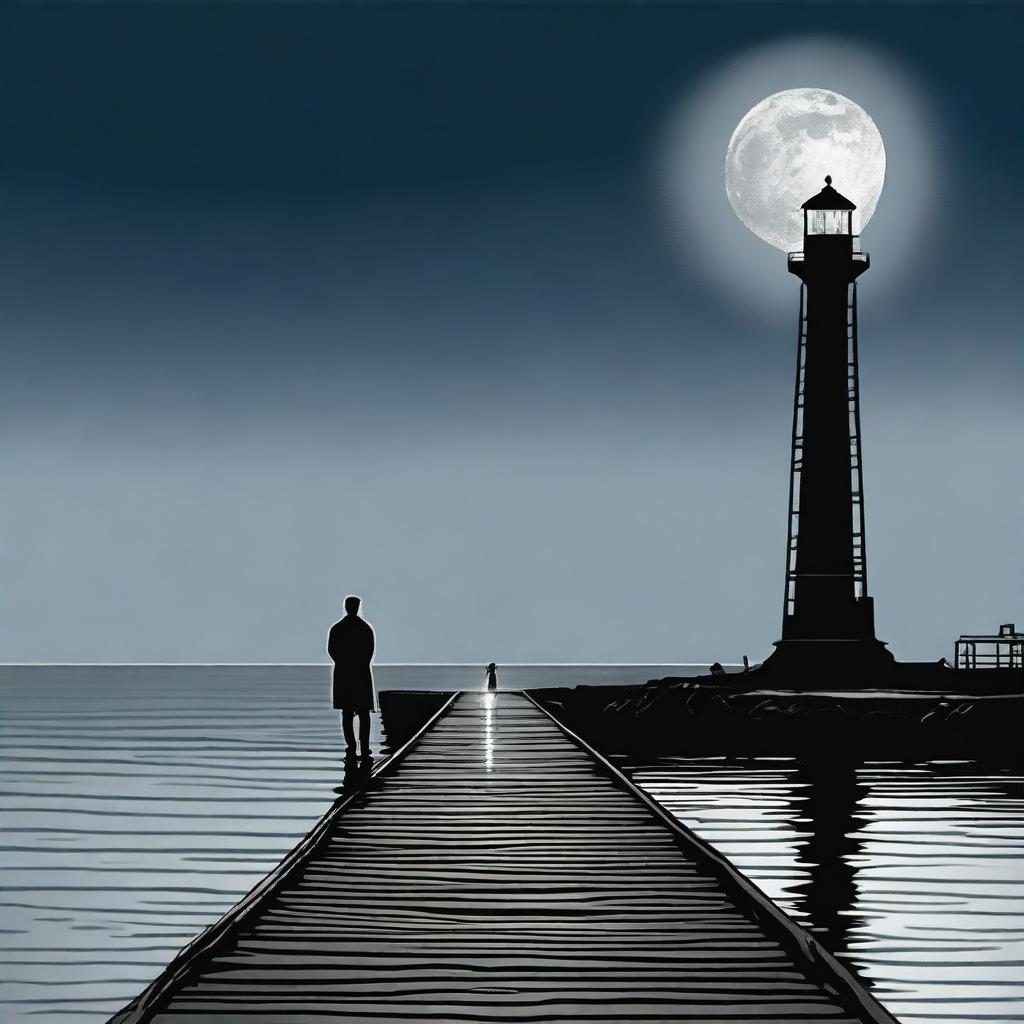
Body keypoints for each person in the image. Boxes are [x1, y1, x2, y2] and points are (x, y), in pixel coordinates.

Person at [327, 596, 375, 759]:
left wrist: (343, 662)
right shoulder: (365, 628)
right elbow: (369, 651)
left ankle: (352, 746)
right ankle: (364, 746)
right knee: (363, 713)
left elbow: (331, 650)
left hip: (344, 674)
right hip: (360, 673)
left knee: (347, 713)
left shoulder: (337, 628)